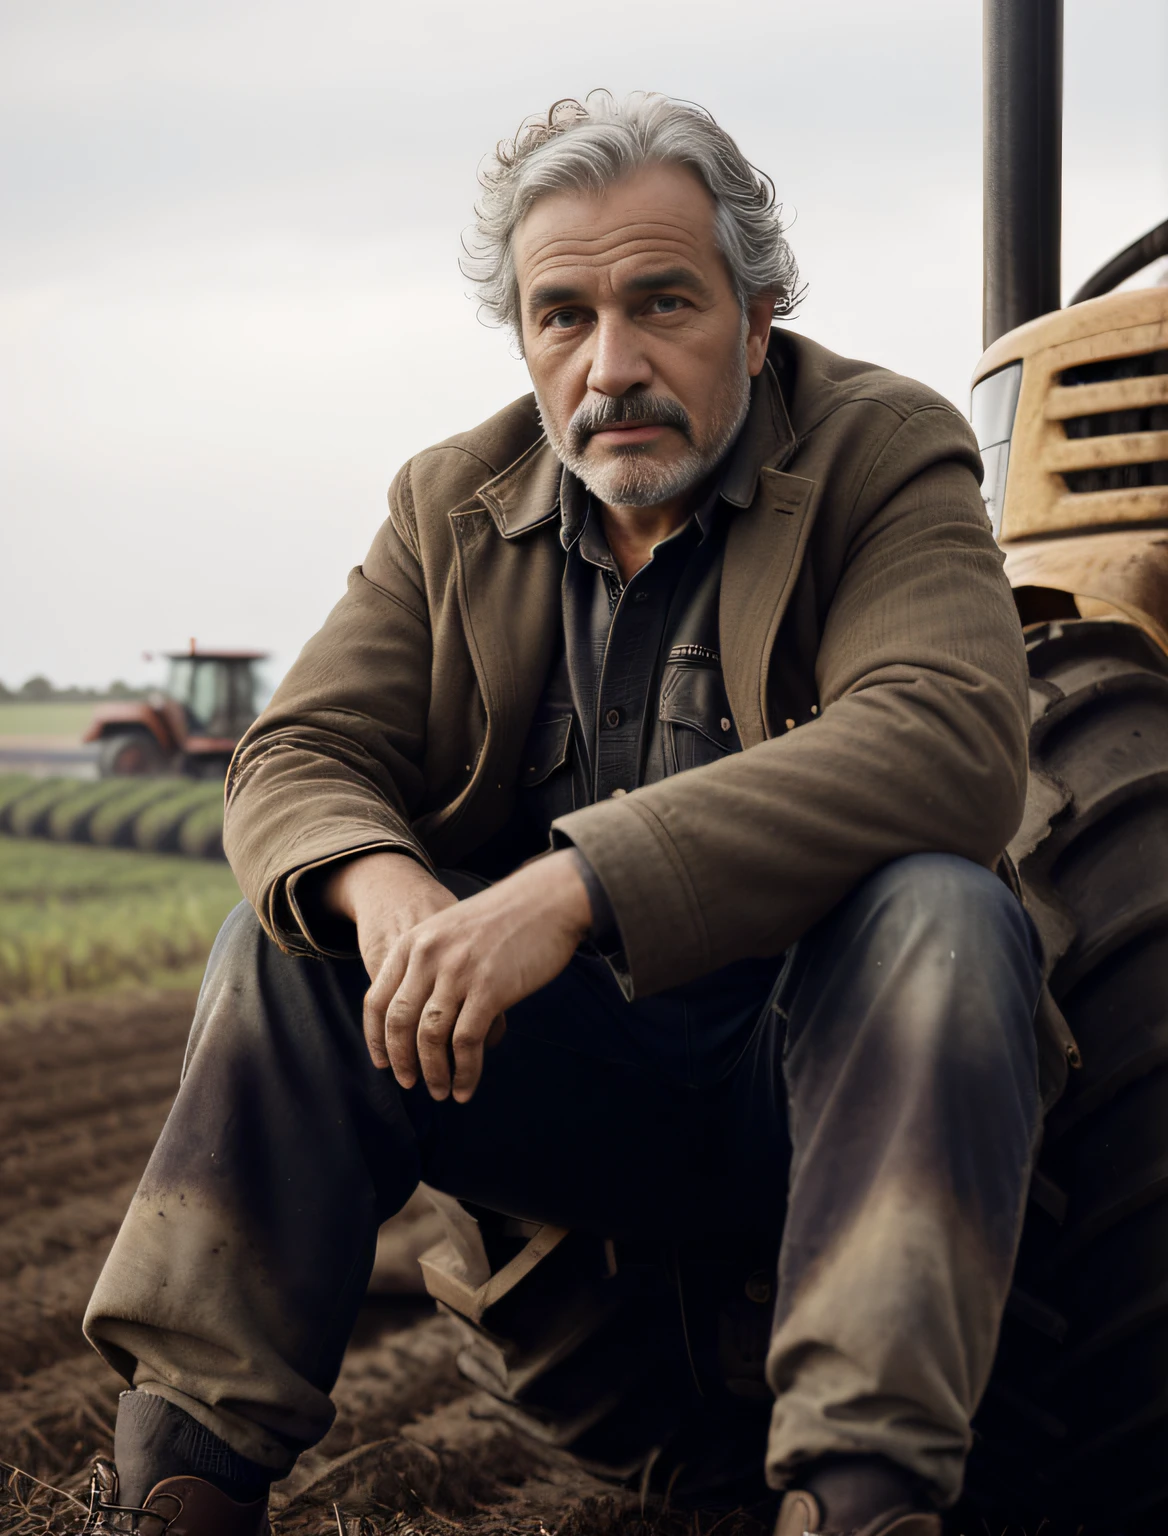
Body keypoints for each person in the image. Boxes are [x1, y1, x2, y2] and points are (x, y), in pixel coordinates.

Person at [82, 93, 1050, 1536]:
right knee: (283, 953)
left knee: (945, 914)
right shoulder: (451, 502)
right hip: (563, 1081)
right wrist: (386, 888)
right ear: (524, 338)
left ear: (757, 308)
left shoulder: (881, 451)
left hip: (822, 1070)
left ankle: (858, 1499)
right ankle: (175, 1488)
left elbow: (950, 738)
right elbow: (299, 751)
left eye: (664, 302)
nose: (613, 366)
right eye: (563, 317)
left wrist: (563, 889)